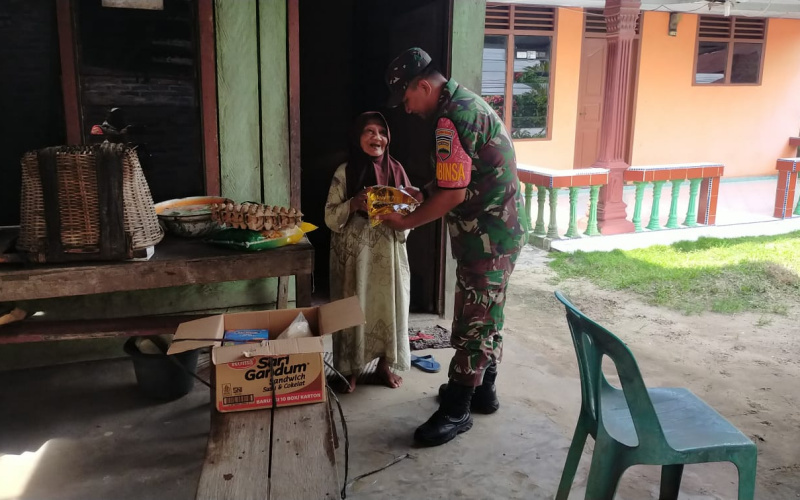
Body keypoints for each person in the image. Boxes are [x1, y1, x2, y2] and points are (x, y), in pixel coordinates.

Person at [378, 48, 524, 446]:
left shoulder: (450, 120)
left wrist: (406, 221)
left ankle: (457, 409)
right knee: (489, 312)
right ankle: (484, 392)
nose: (406, 109)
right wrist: (418, 191)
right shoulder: (466, 104)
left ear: (424, 86)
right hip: (499, 232)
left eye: (406, 99)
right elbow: (454, 177)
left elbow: (453, 195)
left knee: (474, 321)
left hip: (488, 237)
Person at [324, 111, 419, 393]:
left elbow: (411, 209)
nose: (377, 137)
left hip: (387, 251)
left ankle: (384, 366)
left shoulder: (397, 170)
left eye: (382, 132)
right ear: (357, 136)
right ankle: (350, 369)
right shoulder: (344, 172)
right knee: (353, 305)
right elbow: (330, 215)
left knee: (388, 306)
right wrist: (353, 204)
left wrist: (399, 210)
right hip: (354, 253)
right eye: (369, 131)